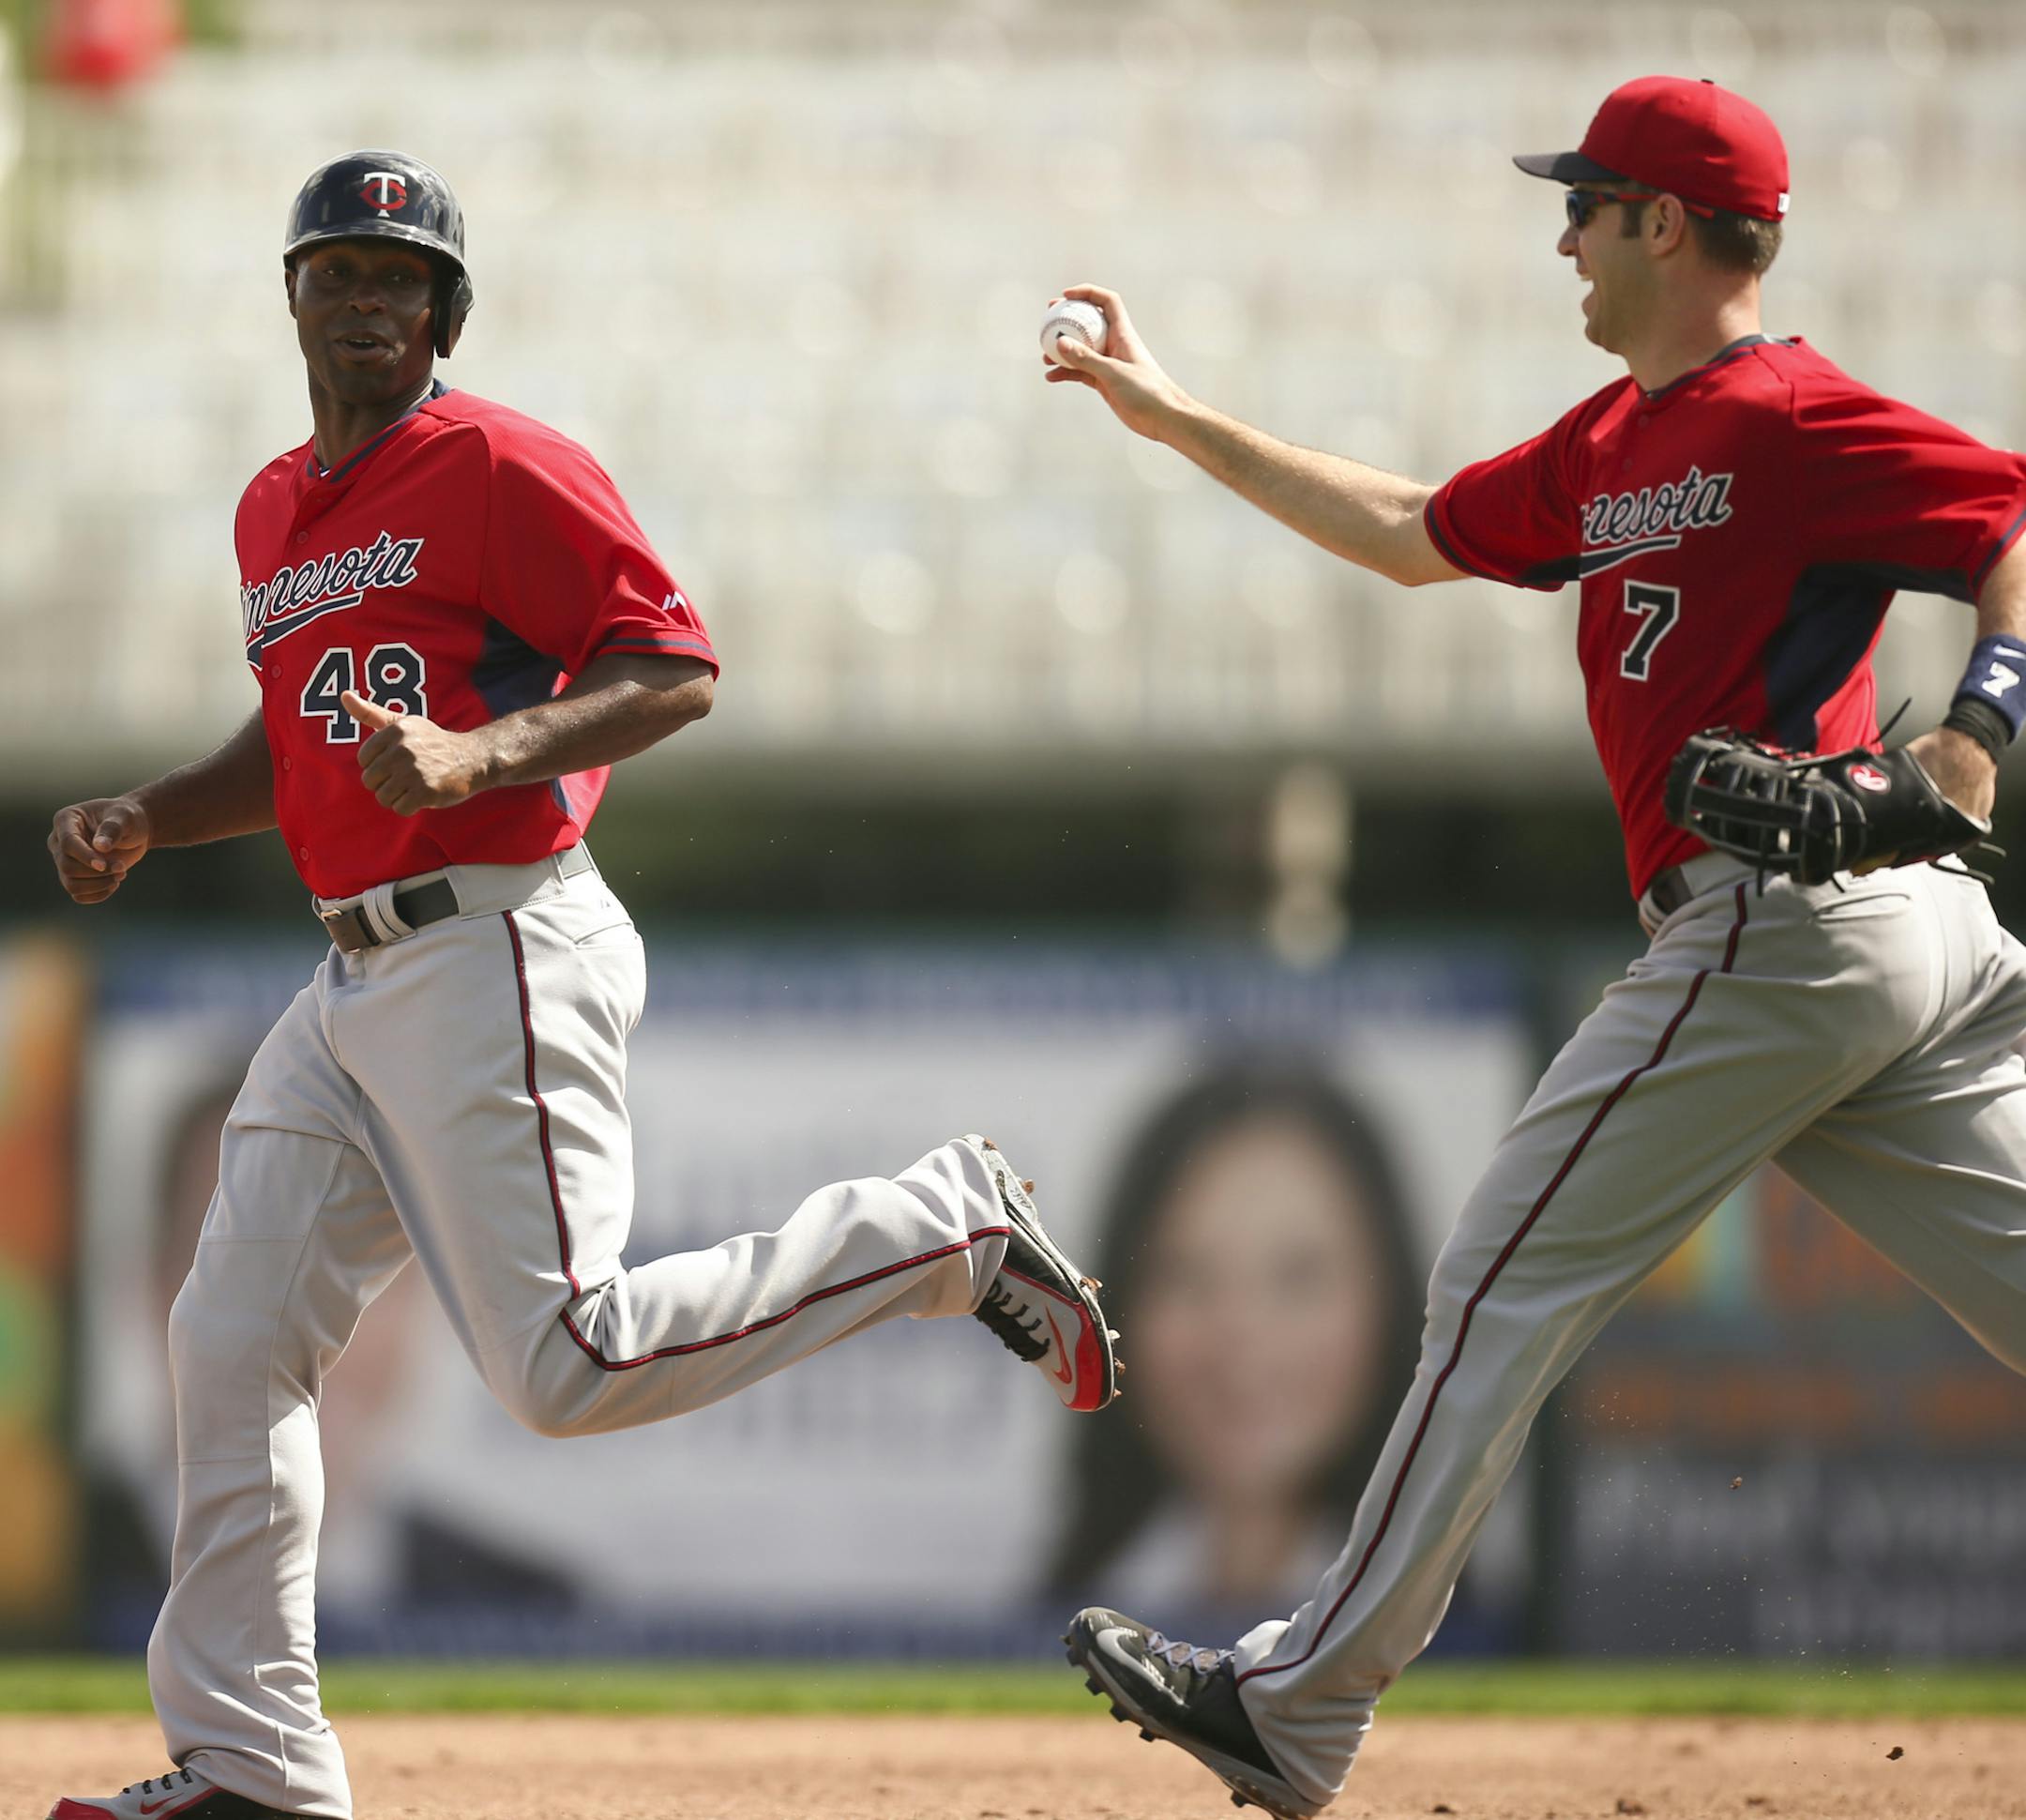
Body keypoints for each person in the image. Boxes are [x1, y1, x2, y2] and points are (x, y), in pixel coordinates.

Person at [43, 149, 1119, 1820]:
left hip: (497, 935)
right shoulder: (273, 507)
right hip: (349, 985)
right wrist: (152, 816)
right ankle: (251, 1763)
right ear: (296, 298)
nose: (369, 301)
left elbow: (672, 663)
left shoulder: (496, 461)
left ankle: (940, 1235)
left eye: (402, 279)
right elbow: (302, 735)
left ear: (442, 312)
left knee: (571, 1366)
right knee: (229, 1334)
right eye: (341, 271)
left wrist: (487, 749)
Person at [1047, 75, 2026, 1819]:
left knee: (1497, 1273)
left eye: (1585, 201)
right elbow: (1412, 533)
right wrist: (1173, 413)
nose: (1561, 229)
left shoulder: (1785, 412)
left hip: (1788, 917)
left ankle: (1303, 1702)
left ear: (1664, 223)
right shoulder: (1611, 440)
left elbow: (2015, 528)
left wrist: (1964, 747)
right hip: (1887, 950)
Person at [1040, 1065, 1420, 1627]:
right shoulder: (1061, 1611)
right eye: (1187, 1275)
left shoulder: (1450, 1617)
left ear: (1389, 1298)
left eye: (1298, 1276)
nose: (1241, 1333)